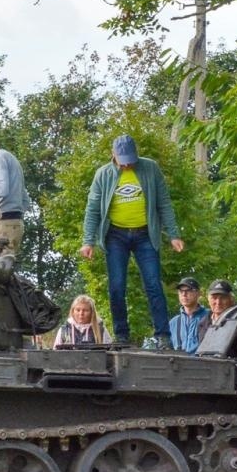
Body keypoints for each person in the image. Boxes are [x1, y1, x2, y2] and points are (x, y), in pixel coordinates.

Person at [79, 133, 185, 349]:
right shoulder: (103, 174)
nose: (127, 164)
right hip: (115, 235)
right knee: (117, 286)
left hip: (146, 234)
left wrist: (174, 234)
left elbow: (164, 203)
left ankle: (163, 335)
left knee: (153, 284)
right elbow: (92, 209)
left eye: (130, 159)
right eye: (123, 160)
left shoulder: (150, 168)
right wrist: (88, 241)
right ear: (113, 155)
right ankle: (121, 335)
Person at [168, 277, 210, 354]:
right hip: (179, 361)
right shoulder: (173, 323)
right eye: (181, 291)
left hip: (204, 361)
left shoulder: (210, 316)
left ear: (198, 293)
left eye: (189, 290)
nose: (184, 294)